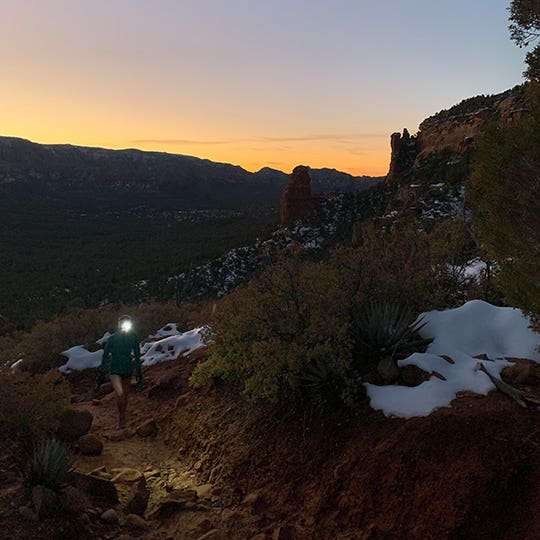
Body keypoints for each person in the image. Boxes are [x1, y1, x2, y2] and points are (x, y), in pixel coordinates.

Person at [99, 315, 143, 429]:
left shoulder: (133, 337)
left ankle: (122, 416)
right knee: (120, 393)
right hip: (114, 369)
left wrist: (138, 372)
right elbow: (105, 354)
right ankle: (122, 417)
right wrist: (102, 370)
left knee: (125, 394)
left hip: (126, 368)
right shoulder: (112, 338)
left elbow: (137, 355)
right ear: (119, 325)